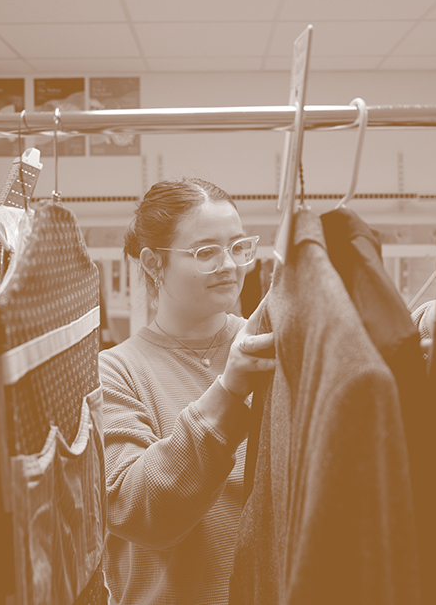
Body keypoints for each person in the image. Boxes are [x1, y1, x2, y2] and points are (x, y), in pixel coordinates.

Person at [99, 177, 275, 605]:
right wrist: (227, 392)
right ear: (154, 263)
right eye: (206, 251)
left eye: (238, 246)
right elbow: (136, 511)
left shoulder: (270, 342)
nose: (230, 264)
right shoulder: (115, 371)